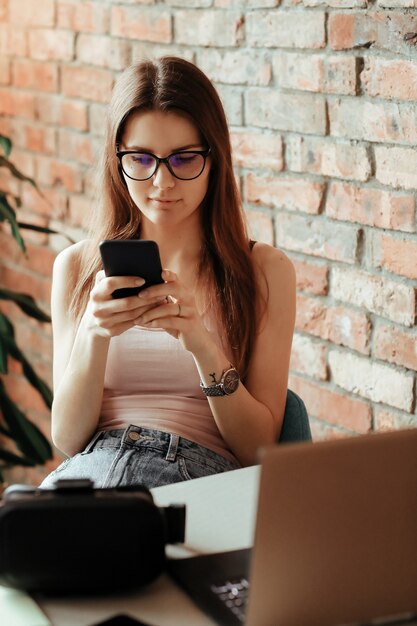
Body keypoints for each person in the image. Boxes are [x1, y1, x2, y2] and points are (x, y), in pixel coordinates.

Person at [40, 57, 296, 490]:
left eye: (183, 159)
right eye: (141, 159)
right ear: (116, 157)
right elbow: (68, 438)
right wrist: (93, 333)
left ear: (214, 159)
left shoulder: (265, 271)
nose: (162, 182)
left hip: (199, 475)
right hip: (93, 469)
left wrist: (203, 346)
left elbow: (258, 451)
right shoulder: (77, 268)